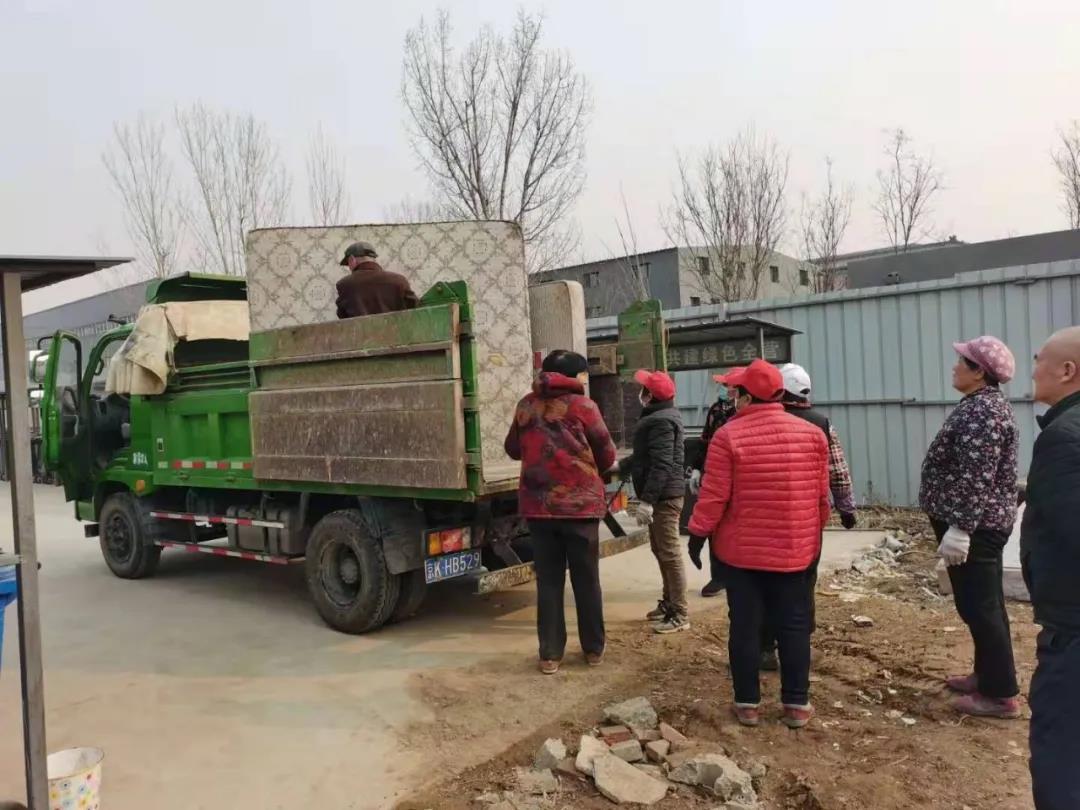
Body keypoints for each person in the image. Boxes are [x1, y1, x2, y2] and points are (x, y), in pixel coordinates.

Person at [688, 359, 829, 729]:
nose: (733, 398)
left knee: (745, 627)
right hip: (795, 552)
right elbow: (821, 498)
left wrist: (698, 534)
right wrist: (811, 537)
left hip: (742, 556)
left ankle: (747, 704)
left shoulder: (728, 436)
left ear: (748, 397)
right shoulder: (812, 435)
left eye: (737, 393)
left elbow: (714, 497)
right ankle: (796, 705)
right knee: (794, 626)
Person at [919, 336, 1020, 719]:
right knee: (981, 604)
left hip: (976, 527)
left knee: (981, 607)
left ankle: (1000, 694)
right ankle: (987, 675)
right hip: (976, 522)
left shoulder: (984, 412)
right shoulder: (981, 405)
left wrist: (960, 528)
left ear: (979, 372)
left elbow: (977, 476)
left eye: (962, 361)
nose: (955, 366)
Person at [504, 350, 617, 675]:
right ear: (573, 376)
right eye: (583, 373)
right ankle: (593, 650)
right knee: (587, 579)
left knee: (549, 582)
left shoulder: (526, 405)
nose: (585, 378)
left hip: (540, 509)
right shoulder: (584, 406)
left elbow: (512, 449)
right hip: (581, 509)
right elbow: (607, 453)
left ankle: (550, 655)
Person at [756, 362, 858, 671]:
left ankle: (764, 648)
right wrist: (846, 507)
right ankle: (799, 647)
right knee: (802, 583)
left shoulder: (763, 421)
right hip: (807, 521)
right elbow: (838, 471)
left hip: (766, 519)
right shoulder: (821, 423)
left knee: (765, 583)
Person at [1023, 326, 1080, 809]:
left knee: (1061, 759)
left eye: (1039, 359)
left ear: (1067, 370)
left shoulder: (1063, 437)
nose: (1033, 369)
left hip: (1074, 633)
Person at [619, 369, 688, 634]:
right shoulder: (660, 416)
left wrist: (647, 501)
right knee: (660, 551)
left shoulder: (660, 421)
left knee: (669, 554)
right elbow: (644, 456)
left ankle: (680, 613)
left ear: (650, 396)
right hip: (661, 494)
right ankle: (669, 603)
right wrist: (620, 466)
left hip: (664, 498)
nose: (640, 392)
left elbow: (662, 464)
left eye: (643, 389)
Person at [687, 373, 739, 598]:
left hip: (739, 476)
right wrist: (697, 468)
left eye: (726, 385)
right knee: (714, 526)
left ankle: (738, 574)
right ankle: (718, 576)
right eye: (721, 384)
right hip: (715, 472)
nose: (722, 388)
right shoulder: (716, 410)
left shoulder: (744, 411)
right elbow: (705, 439)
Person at [335, 241, 419, 319]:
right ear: (374, 259)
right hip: (397, 330)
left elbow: (343, 317)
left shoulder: (344, 284)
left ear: (352, 260)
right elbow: (417, 310)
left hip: (362, 331)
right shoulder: (399, 280)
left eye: (348, 264)